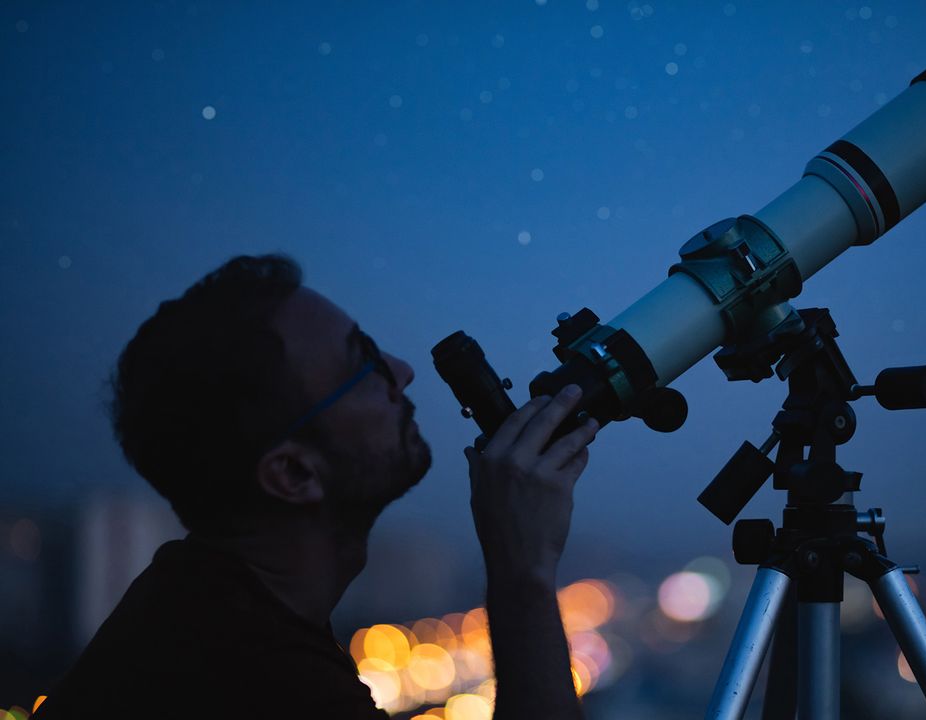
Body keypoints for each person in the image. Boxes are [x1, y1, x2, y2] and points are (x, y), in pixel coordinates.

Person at [36, 254, 599, 719]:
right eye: (364, 365)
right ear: (293, 474)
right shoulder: (257, 680)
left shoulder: (192, 610)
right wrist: (522, 570)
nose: (402, 370)